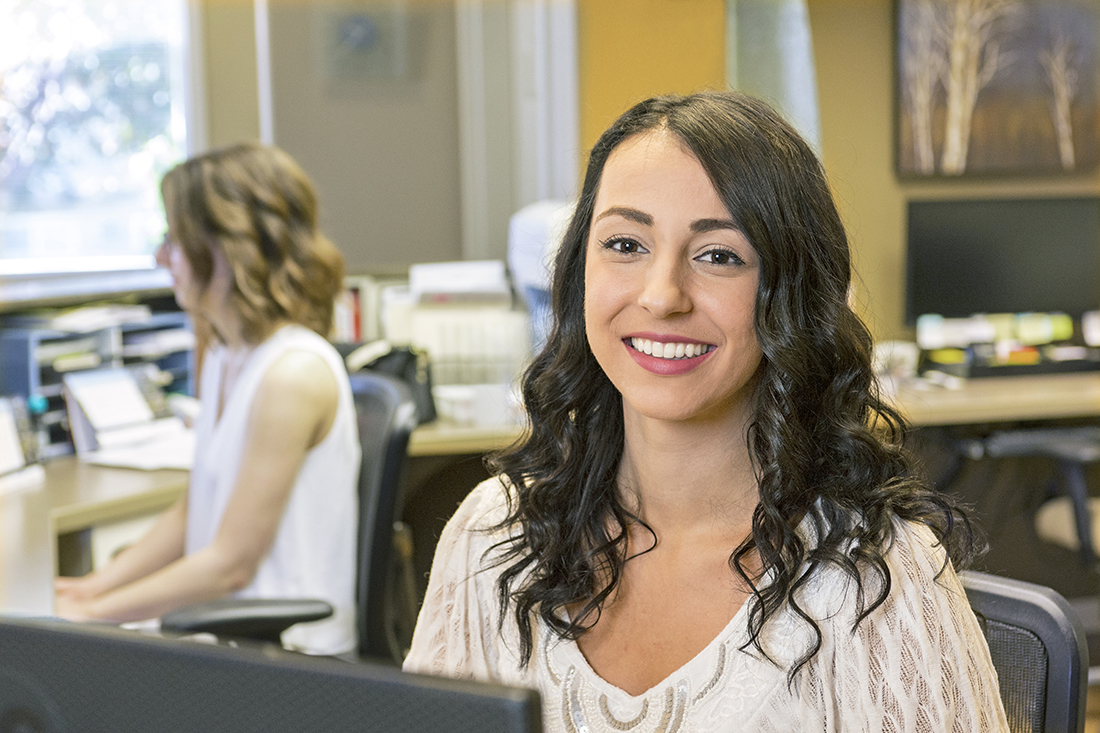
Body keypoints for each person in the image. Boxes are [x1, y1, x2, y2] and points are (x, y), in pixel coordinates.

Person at [403, 92, 1010, 731]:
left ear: (792, 294)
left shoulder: (874, 579)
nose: (662, 296)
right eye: (626, 244)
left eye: (718, 255)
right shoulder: (494, 538)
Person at [54, 142, 360, 656]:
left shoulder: (293, 375)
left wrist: (87, 616)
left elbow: (230, 563)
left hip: (290, 656)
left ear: (226, 248)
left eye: (175, 239)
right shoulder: (225, 354)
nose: (160, 256)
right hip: (227, 635)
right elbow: (194, 509)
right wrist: (91, 588)